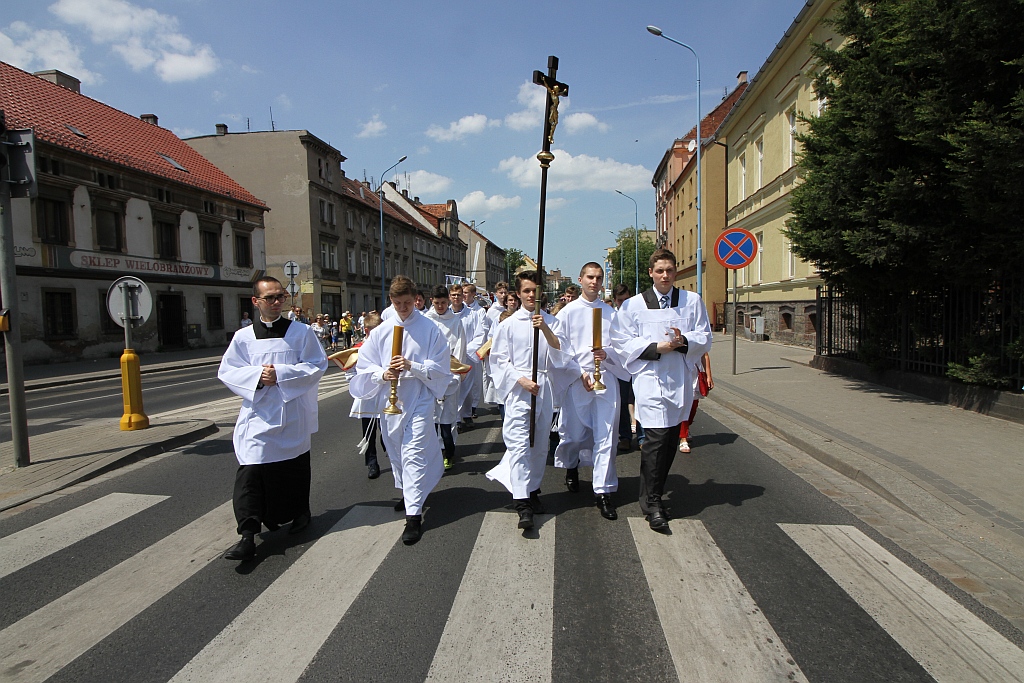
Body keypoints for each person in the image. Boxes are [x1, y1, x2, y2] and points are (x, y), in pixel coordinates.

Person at [218, 276, 328, 561]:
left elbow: (318, 365)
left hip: (292, 411)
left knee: (294, 467)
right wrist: (257, 377)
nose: (277, 302)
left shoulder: (301, 333)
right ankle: (247, 534)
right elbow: (228, 371)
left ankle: (300, 512)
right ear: (256, 302)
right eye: (270, 298)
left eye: (281, 297)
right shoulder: (242, 338)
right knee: (251, 472)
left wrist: (281, 374)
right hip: (257, 416)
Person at [612, 249, 712, 532]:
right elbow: (621, 341)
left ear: (676, 271)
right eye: (660, 271)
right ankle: (653, 503)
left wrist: (684, 341)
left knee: (669, 441)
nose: (665, 275)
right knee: (655, 441)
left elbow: (704, 335)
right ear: (650, 273)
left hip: (679, 378)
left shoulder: (692, 301)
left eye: (669, 270)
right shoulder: (633, 305)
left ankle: (650, 493)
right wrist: (656, 348)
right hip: (651, 379)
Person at [350, 276, 454, 545]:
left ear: (416, 299)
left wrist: (412, 366)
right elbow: (364, 365)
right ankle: (410, 494)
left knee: (414, 452)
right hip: (390, 400)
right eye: (398, 303)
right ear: (391, 302)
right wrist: (383, 373)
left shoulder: (430, 329)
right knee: (395, 450)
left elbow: (442, 368)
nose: (403, 308)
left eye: (408, 302)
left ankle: (414, 517)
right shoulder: (383, 331)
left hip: (419, 398)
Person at [486, 271, 575, 531]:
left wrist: (544, 327)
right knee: (519, 444)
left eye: (535, 291)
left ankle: (533, 489)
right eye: (526, 291)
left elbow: (561, 351)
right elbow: (498, 360)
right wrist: (519, 379)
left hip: (544, 387)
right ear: (518, 294)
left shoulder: (550, 321)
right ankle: (521, 500)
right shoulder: (508, 325)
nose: (531, 296)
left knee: (539, 444)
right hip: (519, 390)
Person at [553, 263, 629, 520]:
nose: (594, 282)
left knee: (606, 436)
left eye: (599, 278)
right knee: (574, 435)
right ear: (580, 278)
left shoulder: (610, 313)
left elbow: (623, 347)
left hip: (605, 379)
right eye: (590, 277)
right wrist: (580, 372)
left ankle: (603, 491)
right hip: (578, 379)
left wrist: (608, 354)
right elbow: (559, 349)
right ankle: (571, 465)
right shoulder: (568, 313)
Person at [424, 284, 467, 471]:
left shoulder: (455, 322)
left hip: (449, 376)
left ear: (448, 301)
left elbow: (460, 349)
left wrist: (457, 373)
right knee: (431, 420)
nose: (440, 306)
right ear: (431, 302)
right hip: (430, 376)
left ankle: (448, 452)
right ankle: (433, 455)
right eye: (437, 303)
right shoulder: (426, 321)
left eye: (443, 302)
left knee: (448, 419)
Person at [340, 312, 386, 478]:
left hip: (385, 394)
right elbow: (349, 372)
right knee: (368, 432)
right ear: (366, 330)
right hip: (367, 396)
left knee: (388, 428)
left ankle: (389, 449)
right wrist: (358, 388)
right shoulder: (357, 349)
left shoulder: (386, 346)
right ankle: (372, 463)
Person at [611, 283, 638, 453]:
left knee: (640, 401)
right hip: (619, 367)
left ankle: (642, 437)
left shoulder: (638, 315)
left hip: (638, 365)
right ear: (615, 300)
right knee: (621, 403)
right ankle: (625, 437)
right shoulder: (613, 318)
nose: (624, 303)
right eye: (621, 300)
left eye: (627, 299)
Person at [461, 283, 487, 424]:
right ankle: (459, 416)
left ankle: (471, 408)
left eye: (466, 293)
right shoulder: (456, 311)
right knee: (458, 386)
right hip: (456, 355)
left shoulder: (479, 311)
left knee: (472, 385)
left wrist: (467, 350)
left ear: (473, 294)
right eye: (462, 293)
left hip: (471, 353)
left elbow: (481, 332)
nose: (463, 295)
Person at [679, 352, 713, 453]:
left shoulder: (697, 336)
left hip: (695, 375)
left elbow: (704, 355)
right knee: (684, 406)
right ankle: (683, 438)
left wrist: (709, 376)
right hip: (680, 375)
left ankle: (686, 428)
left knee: (693, 407)